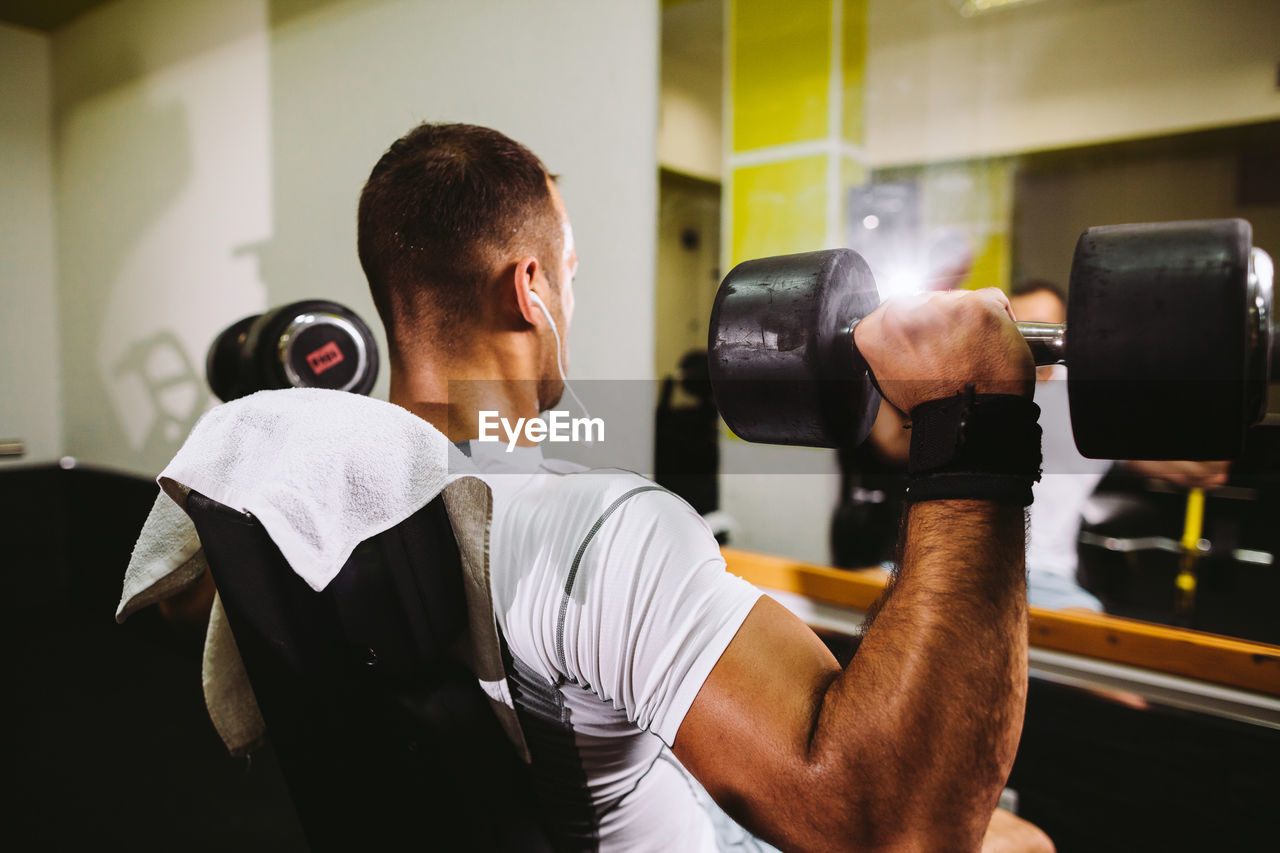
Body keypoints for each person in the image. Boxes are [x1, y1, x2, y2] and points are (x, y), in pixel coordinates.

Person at [352, 122, 1052, 851]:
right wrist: (971, 421)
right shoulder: (601, 530)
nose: (570, 299)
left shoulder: (345, 503)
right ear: (530, 289)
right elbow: (900, 826)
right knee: (1021, 843)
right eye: (570, 271)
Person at [1005, 279, 1228, 610]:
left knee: (1099, 638)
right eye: (1021, 331)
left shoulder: (1093, 403)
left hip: (1048, 579)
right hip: (964, 570)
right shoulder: (976, 391)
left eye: (1044, 331)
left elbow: (1207, 469)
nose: (1033, 344)